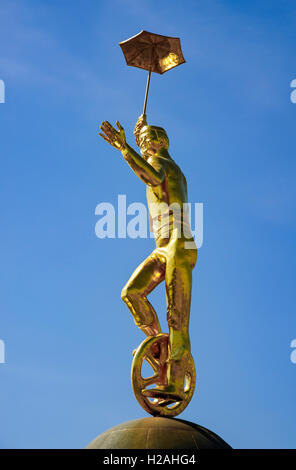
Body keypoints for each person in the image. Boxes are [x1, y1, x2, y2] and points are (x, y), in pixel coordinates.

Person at [99, 115, 197, 400]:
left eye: (146, 141)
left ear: (160, 142)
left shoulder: (162, 164)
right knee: (132, 293)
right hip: (163, 246)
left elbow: (149, 175)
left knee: (176, 316)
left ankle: (176, 383)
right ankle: (158, 346)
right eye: (140, 142)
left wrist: (125, 148)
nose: (142, 146)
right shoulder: (159, 161)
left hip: (179, 244)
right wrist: (141, 132)